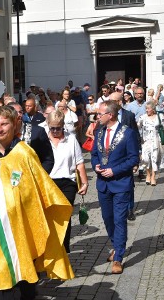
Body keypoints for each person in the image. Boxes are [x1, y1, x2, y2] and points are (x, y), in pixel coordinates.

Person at [0, 105, 74, 300]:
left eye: (5, 124)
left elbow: (28, 194)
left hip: (20, 222)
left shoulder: (24, 153)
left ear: (14, 126)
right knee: (1, 273)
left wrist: (1, 215)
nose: (0, 129)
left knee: (24, 272)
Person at [91, 101, 139, 274]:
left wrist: (114, 170)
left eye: (99, 114)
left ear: (109, 115)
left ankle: (118, 257)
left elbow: (133, 158)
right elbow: (94, 154)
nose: (97, 117)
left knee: (119, 220)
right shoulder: (99, 132)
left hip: (120, 183)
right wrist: (96, 165)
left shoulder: (128, 133)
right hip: (102, 184)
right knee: (107, 218)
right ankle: (116, 246)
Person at [46, 110, 89, 252]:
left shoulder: (71, 140)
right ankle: (51, 248)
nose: (55, 131)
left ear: (63, 125)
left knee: (63, 215)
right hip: (48, 183)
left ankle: (63, 249)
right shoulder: (43, 140)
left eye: (58, 128)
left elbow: (79, 163)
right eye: (52, 128)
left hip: (67, 183)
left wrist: (84, 182)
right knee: (50, 218)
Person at [108, 91, 140, 220]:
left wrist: (137, 155)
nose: (109, 104)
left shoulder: (129, 116)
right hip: (112, 154)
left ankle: (130, 208)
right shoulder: (108, 116)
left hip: (127, 155)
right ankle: (117, 206)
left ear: (119, 102)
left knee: (128, 182)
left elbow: (135, 135)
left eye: (112, 101)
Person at [8, 102, 54, 173]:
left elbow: (48, 160)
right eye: (15, 112)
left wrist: (38, 177)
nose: (19, 115)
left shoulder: (37, 132)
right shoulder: (1, 133)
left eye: (21, 112)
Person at [137, 100, 164, 186]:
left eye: (148, 108)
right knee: (145, 158)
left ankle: (153, 176)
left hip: (156, 140)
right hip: (145, 141)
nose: (146, 110)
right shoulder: (143, 117)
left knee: (154, 158)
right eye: (146, 108)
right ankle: (148, 173)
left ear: (153, 109)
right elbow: (137, 126)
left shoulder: (159, 116)